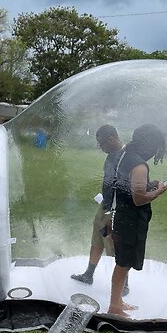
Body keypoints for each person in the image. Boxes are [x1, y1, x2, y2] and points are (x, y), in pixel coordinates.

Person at [106, 124, 167, 317]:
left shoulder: (126, 157)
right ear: (149, 145)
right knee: (123, 263)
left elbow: (129, 187)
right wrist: (158, 191)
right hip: (130, 221)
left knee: (123, 261)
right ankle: (114, 306)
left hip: (123, 217)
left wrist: (149, 184)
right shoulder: (139, 164)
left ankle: (118, 301)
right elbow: (138, 198)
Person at [70, 125, 129, 295]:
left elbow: (126, 188)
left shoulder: (126, 157)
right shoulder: (111, 155)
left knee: (114, 245)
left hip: (115, 210)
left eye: (101, 143)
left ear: (111, 138)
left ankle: (124, 285)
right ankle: (88, 275)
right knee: (97, 238)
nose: (100, 147)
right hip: (104, 205)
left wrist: (113, 213)